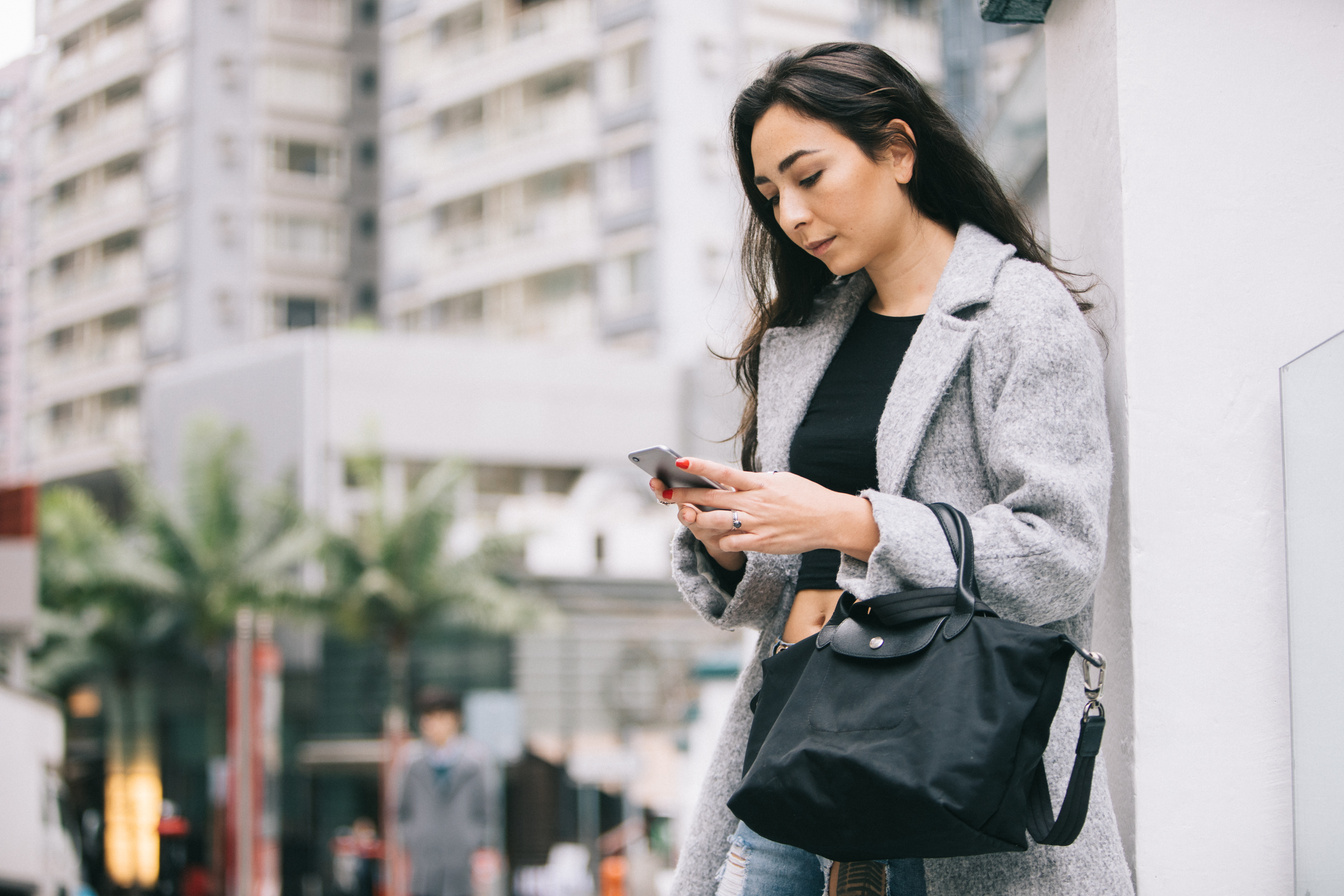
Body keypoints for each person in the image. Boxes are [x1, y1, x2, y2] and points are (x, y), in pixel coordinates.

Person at [652, 43, 1134, 896]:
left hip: (945, 767)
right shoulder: (803, 338)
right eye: (771, 196)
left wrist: (851, 521)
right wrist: (735, 543)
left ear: (900, 150)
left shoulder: (1019, 313)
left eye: (810, 176)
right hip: (789, 752)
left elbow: (1057, 558)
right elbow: (805, 572)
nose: (792, 215)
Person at [398, 687, 499, 896]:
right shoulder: (410, 762)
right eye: (429, 717)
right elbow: (400, 810)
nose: (435, 724)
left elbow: (489, 809)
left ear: (456, 719)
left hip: (464, 860)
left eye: (441, 717)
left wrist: (476, 841)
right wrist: (414, 837)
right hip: (424, 861)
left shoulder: (477, 761)